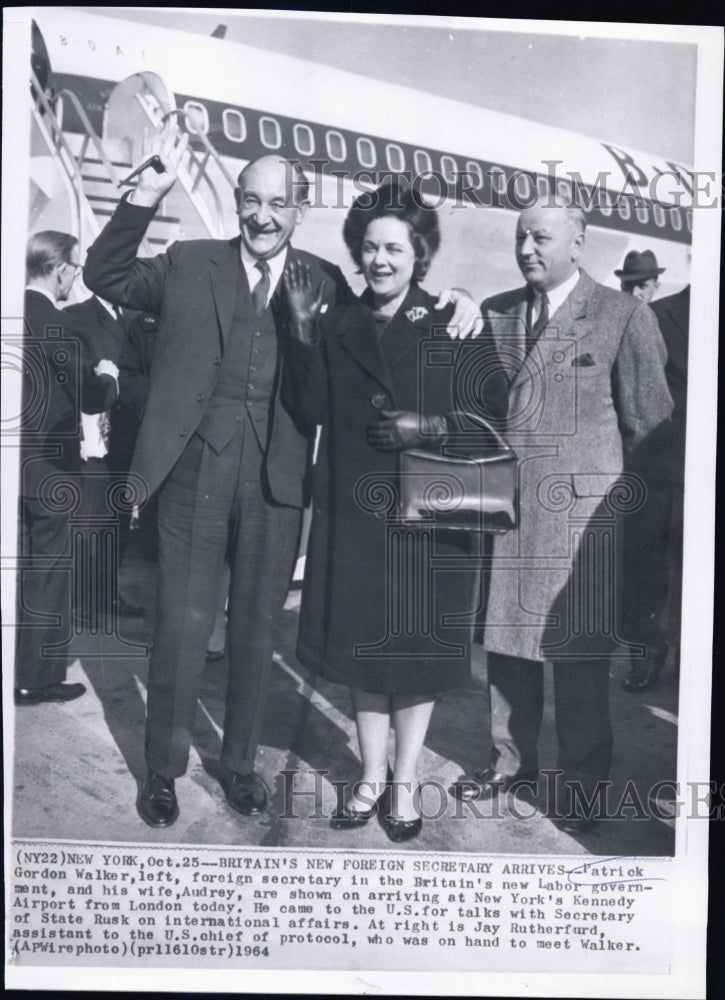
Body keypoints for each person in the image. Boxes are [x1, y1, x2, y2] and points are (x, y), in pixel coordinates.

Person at [83, 125, 482, 829]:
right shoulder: (189, 261)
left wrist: (459, 297)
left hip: (280, 485)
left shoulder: (324, 283)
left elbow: (393, 314)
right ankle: (164, 770)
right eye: (251, 201)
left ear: (299, 211)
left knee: (253, 635)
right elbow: (104, 276)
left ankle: (238, 766)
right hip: (192, 475)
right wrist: (143, 199)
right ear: (238, 204)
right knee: (181, 627)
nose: (262, 216)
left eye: (278, 204)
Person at [282, 179, 505, 843]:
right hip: (355, 514)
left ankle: (404, 780)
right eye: (370, 247)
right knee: (362, 653)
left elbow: (491, 419)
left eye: (394, 248)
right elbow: (310, 409)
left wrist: (429, 426)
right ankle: (370, 775)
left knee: (414, 654)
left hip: (429, 519)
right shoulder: (334, 324)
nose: (380, 260)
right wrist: (298, 332)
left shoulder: (454, 322)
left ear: (419, 254)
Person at [449, 198, 674, 833]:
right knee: (507, 649)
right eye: (520, 237)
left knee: (578, 662)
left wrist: (626, 532)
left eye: (540, 237)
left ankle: (581, 785)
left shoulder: (622, 315)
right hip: (508, 514)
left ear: (578, 243)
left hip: (582, 528)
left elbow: (651, 433)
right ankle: (510, 763)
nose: (526, 249)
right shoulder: (494, 313)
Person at [16, 231, 119, 705]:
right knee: (50, 572)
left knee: (18, 571)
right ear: (59, 269)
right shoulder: (55, 324)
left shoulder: (12, 312)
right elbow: (91, 397)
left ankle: (13, 664)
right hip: (51, 472)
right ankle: (36, 678)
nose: (76, 277)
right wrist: (108, 374)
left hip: (13, 468)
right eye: (75, 269)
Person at [621, 284, 689, 692]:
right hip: (658, 465)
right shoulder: (660, 314)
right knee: (645, 564)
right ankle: (645, 653)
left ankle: (690, 660)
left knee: (696, 573)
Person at [63, 293, 145, 627]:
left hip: (126, 436)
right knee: (88, 522)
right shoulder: (76, 315)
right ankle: (77, 600)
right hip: (95, 435)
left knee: (119, 520)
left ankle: (106, 593)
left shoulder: (136, 316)